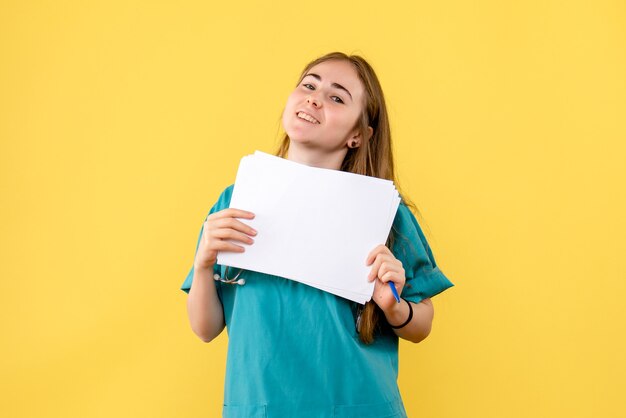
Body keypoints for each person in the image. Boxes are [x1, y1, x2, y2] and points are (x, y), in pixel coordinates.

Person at [180, 51, 455, 418]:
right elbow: (205, 329)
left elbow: (422, 326)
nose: (314, 98)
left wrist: (393, 306)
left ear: (358, 135)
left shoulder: (385, 213)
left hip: (360, 406)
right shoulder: (236, 201)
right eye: (308, 85)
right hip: (262, 408)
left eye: (336, 97)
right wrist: (202, 265)